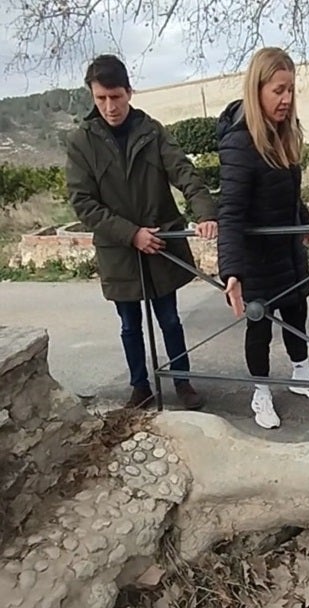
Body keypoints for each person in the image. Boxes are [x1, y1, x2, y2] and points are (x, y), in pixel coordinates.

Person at [66, 54, 217, 410]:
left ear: (129, 92)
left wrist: (206, 212)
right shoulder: (81, 143)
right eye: (101, 98)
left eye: (115, 96)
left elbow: (184, 172)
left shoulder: (152, 131)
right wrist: (131, 233)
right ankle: (140, 386)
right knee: (129, 324)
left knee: (170, 319)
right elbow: (83, 203)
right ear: (93, 96)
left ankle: (182, 382)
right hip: (119, 250)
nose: (109, 106)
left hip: (162, 245)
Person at [217, 47, 309, 429]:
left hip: (287, 250)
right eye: (278, 90)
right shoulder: (239, 142)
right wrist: (231, 270)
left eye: (290, 90)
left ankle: (301, 372)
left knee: (297, 310)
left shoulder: (285, 133)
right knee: (260, 324)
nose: (286, 99)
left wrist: (303, 222)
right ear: (258, 89)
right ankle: (261, 391)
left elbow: (285, 188)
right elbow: (231, 211)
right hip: (257, 259)